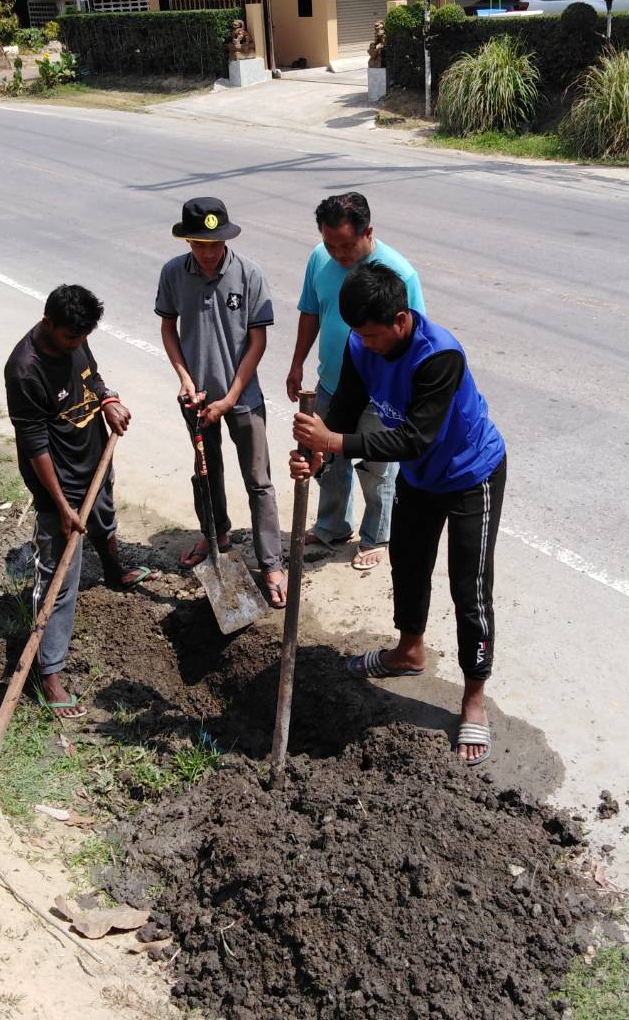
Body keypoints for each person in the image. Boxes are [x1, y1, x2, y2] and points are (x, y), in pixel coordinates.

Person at [291, 262, 506, 764]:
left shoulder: (440, 356)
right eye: (358, 335)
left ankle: (473, 699)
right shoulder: (359, 343)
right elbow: (348, 401)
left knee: (469, 587)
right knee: (409, 566)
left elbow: (415, 438)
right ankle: (409, 651)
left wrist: (334, 439)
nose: (365, 343)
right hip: (420, 478)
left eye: (372, 334)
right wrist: (321, 451)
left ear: (402, 319)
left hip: (470, 475)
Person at [5, 284, 150, 720]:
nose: (78, 343)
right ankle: (47, 672)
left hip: (93, 456)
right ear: (49, 323)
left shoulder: (77, 339)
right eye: (72, 337)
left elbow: (92, 376)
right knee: (59, 576)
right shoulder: (25, 370)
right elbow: (34, 444)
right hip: (59, 483)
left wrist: (108, 401)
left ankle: (113, 570)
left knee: (105, 517)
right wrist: (62, 507)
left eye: (84, 336)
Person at [155, 196, 287, 608]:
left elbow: (257, 341)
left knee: (259, 481)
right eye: (199, 244)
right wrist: (185, 379)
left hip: (242, 398)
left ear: (227, 239)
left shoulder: (249, 275)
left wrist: (229, 398)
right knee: (205, 472)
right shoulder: (173, 273)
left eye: (215, 244)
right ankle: (216, 535)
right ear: (187, 242)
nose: (208, 253)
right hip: (196, 401)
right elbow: (169, 328)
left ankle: (271, 563)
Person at [286, 191, 424, 573]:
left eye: (346, 245)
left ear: (368, 233)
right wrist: (297, 363)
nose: (339, 254)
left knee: (378, 466)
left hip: (382, 396)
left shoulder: (399, 274)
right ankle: (332, 525)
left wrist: (403, 395)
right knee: (327, 459)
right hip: (332, 383)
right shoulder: (319, 259)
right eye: (331, 244)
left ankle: (376, 535)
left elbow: (415, 340)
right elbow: (310, 313)